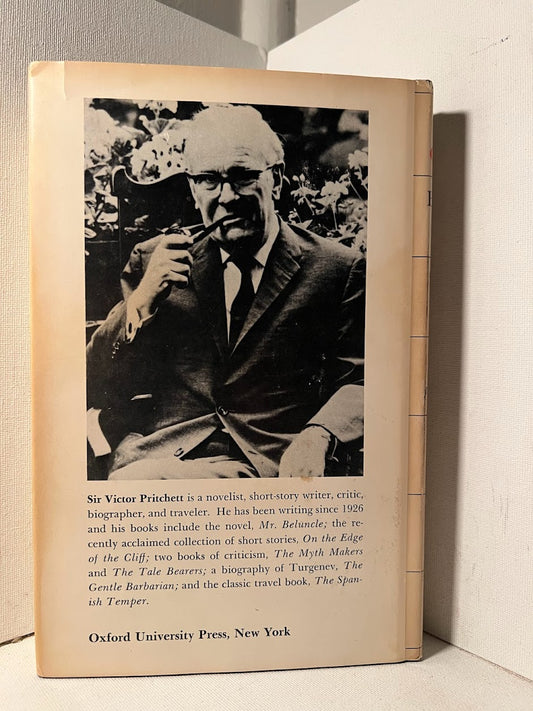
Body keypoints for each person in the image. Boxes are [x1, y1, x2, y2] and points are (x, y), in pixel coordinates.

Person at [86, 104, 364, 480]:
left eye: (242, 176)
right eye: (208, 180)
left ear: (276, 179)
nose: (227, 196)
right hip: (161, 455)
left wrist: (319, 435)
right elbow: (95, 383)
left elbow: (363, 380)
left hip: (269, 462)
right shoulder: (155, 262)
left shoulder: (337, 269)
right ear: (193, 188)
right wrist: (140, 302)